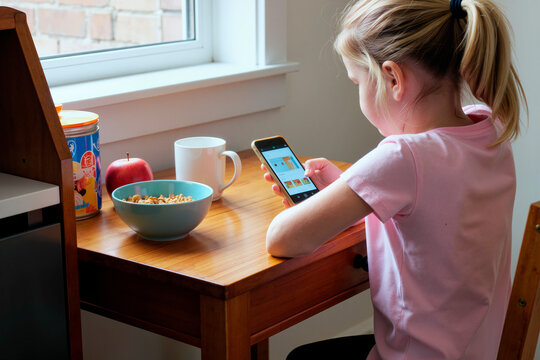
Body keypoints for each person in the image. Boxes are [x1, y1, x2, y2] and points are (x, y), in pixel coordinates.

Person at [260, 0, 528, 359]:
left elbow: (281, 238)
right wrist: (350, 187)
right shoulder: (492, 129)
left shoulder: (403, 157)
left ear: (392, 78)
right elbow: (433, 209)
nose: (358, 93)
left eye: (357, 81)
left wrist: (349, 189)